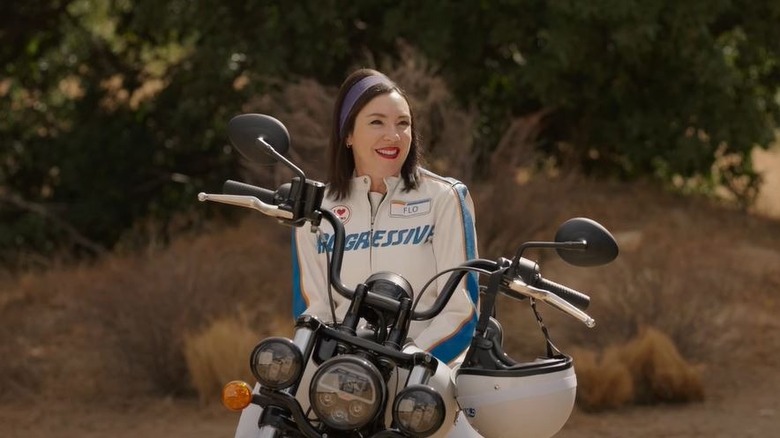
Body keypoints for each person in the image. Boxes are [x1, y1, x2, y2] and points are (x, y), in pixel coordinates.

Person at [235, 68, 479, 437]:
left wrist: (412, 359)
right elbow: (311, 306)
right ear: (348, 134)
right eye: (376, 122)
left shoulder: (443, 197)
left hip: (420, 364)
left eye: (403, 123)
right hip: (337, 363)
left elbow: (462, 309)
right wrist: (338, 358)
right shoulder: (318, 206)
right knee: (262, 407)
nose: (393, 135)